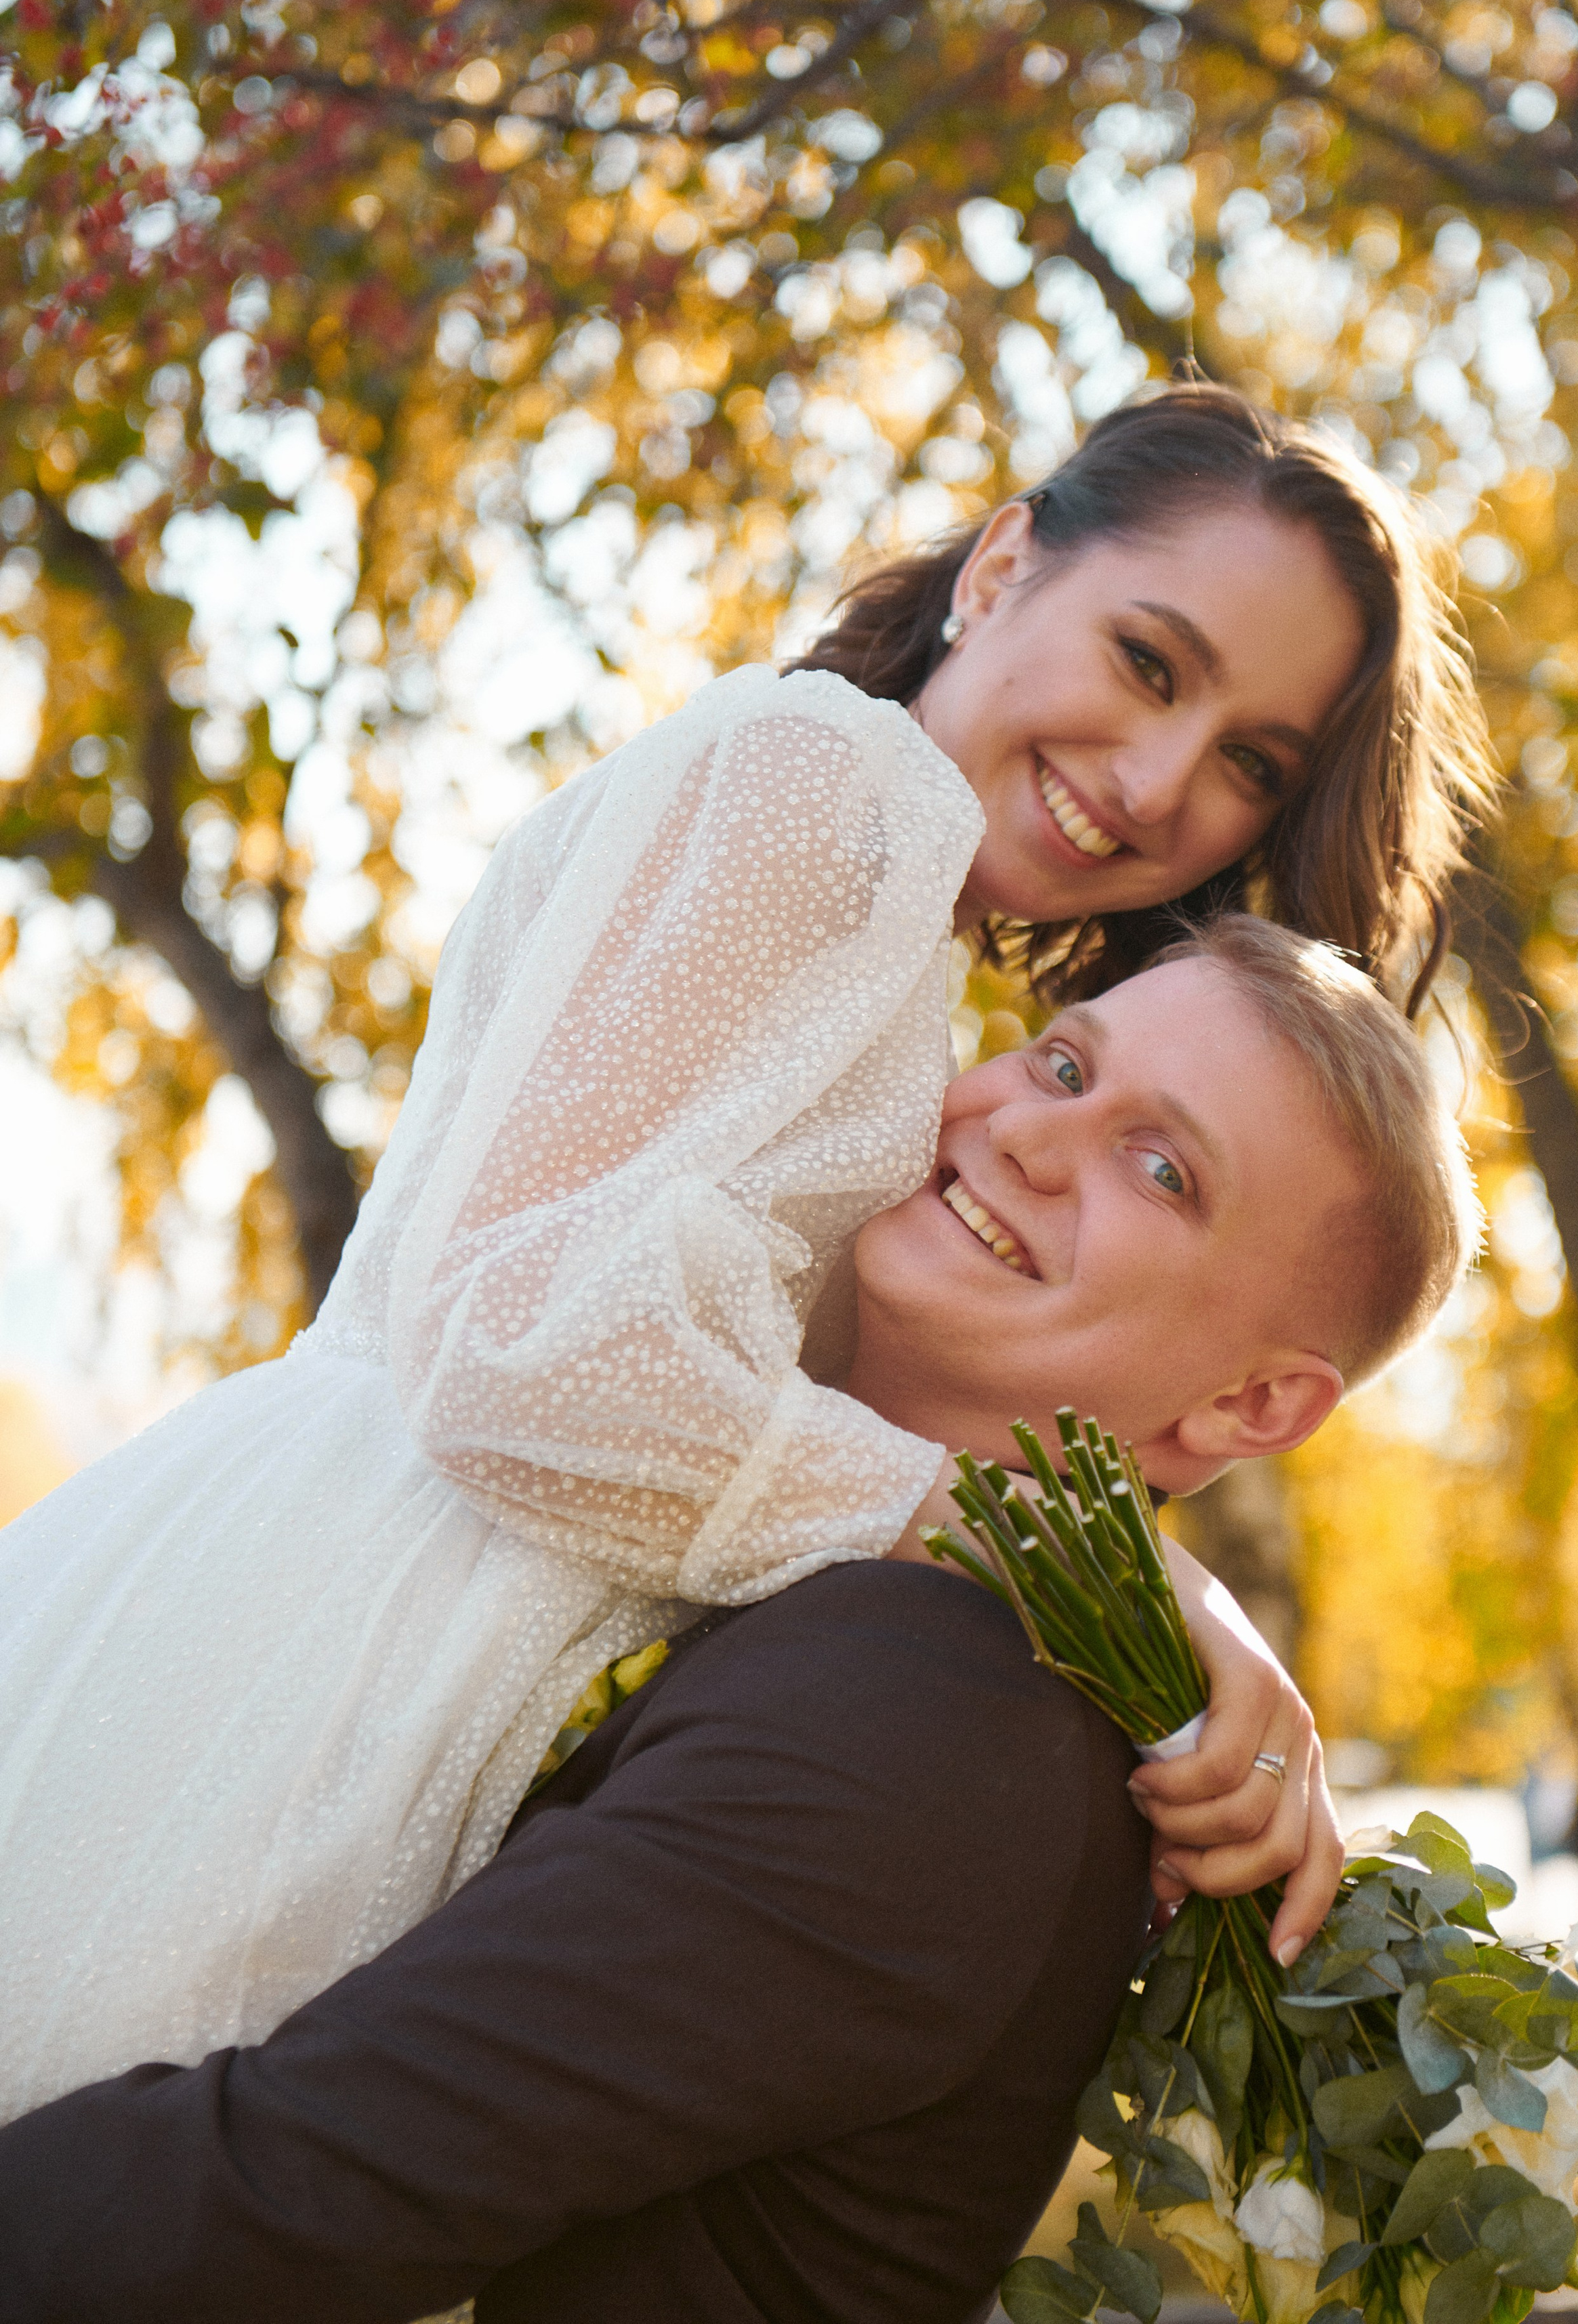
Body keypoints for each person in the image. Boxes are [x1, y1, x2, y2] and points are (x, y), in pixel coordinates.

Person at [0, 384, 1489, 2121]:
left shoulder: (899, 953)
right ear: (1003, 566)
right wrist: (1078, 1575)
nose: (1162, 781)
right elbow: (519, 1352)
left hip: (392, 1654)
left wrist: (1175, 1615)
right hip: (326, 1665)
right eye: (1149, 663)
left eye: (1250, 763)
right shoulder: (819, 784)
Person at [0, 918, 1479, 2324]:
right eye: (1063, 1064)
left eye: (1157, 1170)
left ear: (1246, 1406)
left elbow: (287, 2192)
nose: (1027, 1135)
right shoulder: (793, 1568)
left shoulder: (938, 1716)